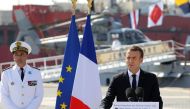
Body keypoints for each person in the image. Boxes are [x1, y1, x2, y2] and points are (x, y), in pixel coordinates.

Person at [0, 41, 44, 109]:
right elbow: (3, 95)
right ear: (13, 56)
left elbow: (39, 95)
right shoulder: (6, 74)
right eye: (16, 54)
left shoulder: (36, 73)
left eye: (22, 54)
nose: (19, 57)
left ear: (26, 55)